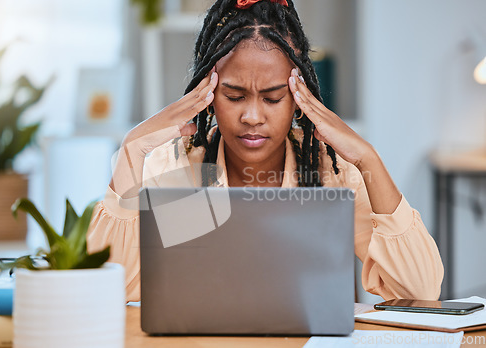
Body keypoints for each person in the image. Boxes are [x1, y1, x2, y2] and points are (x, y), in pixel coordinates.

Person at [87, 0, 443, 302]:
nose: (252, 117)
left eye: (273, 98)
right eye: (234, 96)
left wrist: (369, 160)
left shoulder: (328, 171)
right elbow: (113, 291)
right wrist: (131, 150)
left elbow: (420, 290)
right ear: (208, 93)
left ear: (299, 97)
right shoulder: (182, 167)